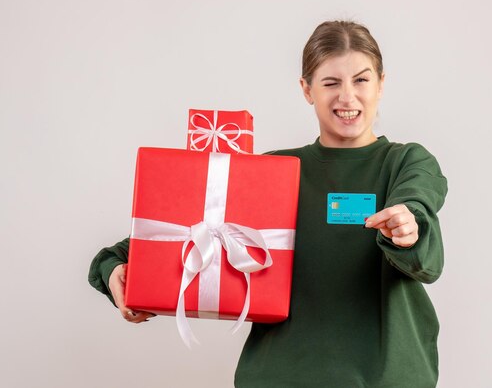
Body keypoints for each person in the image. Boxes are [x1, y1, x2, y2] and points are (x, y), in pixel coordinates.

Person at [89, 20, 448, 388]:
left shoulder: (406, 163)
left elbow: (418, 218)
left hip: (384, 378)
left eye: (361, 80)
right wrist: (115, 269)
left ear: (381, 84)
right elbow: (178, 237)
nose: (347, 97)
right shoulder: (273, 174)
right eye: (330, 83)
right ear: (306, 89)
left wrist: (408, 228)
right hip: (280, 377)